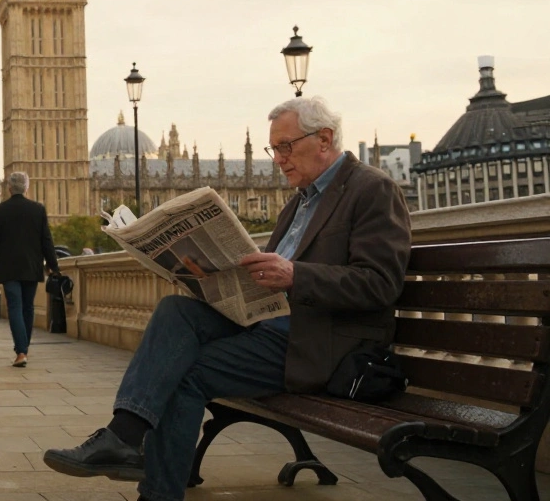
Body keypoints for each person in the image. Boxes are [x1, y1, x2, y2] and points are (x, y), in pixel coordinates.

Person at [42, 97, 412, 501]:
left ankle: (148, 479)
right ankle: (125, 437)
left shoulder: (372, 189)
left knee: (185, 373)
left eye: (286, 146)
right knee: (175, 310)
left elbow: (380, 283)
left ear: (324, 139)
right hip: (273, 324)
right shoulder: (297, 203)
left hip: (319, 341)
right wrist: (206, 278)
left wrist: (295, 274)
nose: (279, 159)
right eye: (274, 149)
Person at [0, 171, 60, 368]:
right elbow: (46, 241)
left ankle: (21, 351)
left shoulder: (0, 210)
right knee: (28, 307)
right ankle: (23, 349)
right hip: (31, 266)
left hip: (8, 267)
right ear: (26, 188)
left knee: (15, 307)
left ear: (9, 188)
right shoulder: (37, 209)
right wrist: (53, 266)